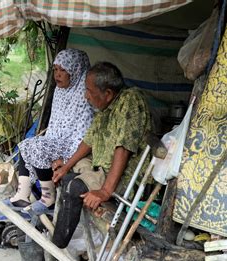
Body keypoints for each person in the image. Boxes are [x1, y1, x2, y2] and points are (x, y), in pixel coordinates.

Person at [51, 62, 153, 248]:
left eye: (89, 91)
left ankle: (56, 245)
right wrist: (65, 167)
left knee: (74, 187)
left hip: (126, 178)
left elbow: (123, 148)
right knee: (66, 177)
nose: (86, 96)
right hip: (101, 168)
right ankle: (61, 241)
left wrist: (105, 191)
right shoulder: (105, 109)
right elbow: (88, 141)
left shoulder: (131, 100)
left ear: (108, 94)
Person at [8, 48, 94, 215]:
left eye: (63, 70)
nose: (58, 75)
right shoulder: (60, 91)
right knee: (26, 144)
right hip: (57, 140)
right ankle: (22, 194)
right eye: (55, 69)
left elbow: (85, 135)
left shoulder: (86, 94)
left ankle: (48, 198)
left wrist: (64, 158)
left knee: (39, 148)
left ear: (75, 71)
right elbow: (55, 126)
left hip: (74, 145)